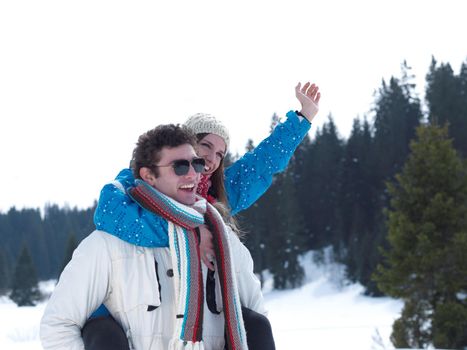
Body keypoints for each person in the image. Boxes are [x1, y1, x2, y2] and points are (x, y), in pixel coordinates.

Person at [83, 81, 321, 349]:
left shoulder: (216, 196)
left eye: (220, 153)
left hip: (194, 315)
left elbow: (262, 164)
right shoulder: (142, 178)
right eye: (205, 145)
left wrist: (303, 118)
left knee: (255, 325)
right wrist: (188, 230)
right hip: (124, 315)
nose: (211, 158)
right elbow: (109, 213)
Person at [40, 124, 265, 350]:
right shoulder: (107, 246)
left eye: (197, 164)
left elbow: (256, 317)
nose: (193, 174)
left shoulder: (223, 241)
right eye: (179, 166)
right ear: (149, 175)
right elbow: (58, 325)